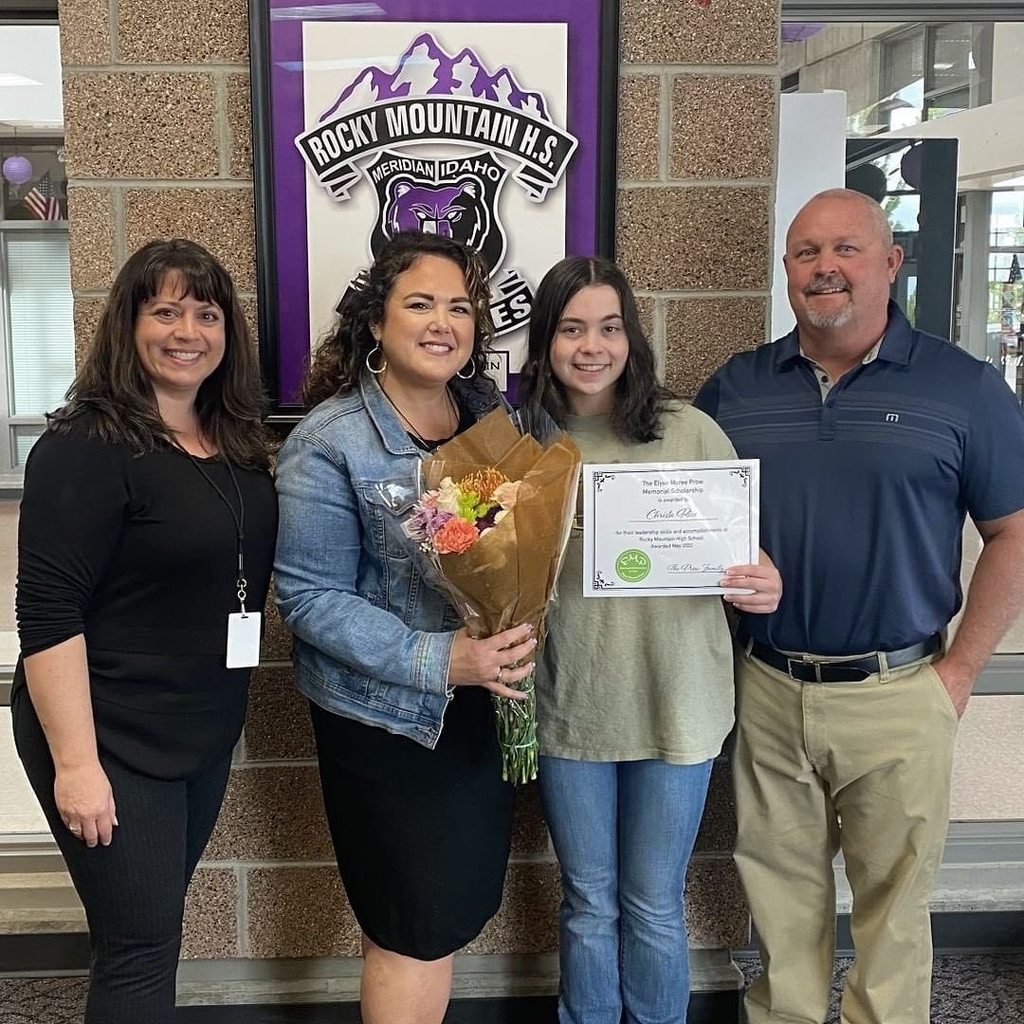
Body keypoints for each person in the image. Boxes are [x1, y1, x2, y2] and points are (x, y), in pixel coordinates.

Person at [693, 188, 1024, 1024]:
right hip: (769, 689)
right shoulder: (736, 388)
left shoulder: (966, 389)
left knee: (893, 917)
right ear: (786, 269)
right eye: (807, 252)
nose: (825, 268)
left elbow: (1013, 535)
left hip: (900, 692)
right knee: (779, 912)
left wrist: (960, 673)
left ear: (890, 261)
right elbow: (687, 518)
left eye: (846, 248)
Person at [12, 238, 277, 1024]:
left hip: (195, 736)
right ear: (128, 325)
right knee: (140, 948)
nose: (187, 331)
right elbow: (47, 612)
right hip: (111, 736)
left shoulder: (233, 443)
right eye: (165, 312)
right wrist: (76, 766)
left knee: (143, 933)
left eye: (206, 314)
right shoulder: (86, 446)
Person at [273, 231, 535, 1024]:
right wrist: (441, 659)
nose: (442, 323)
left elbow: (512, 546)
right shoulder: (329, 442)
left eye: (460, 307)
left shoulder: (487, 415)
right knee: (409, 924)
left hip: (479, 709)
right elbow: (309, 598)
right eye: (420, 304)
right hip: (387, 723)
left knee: (443, 915)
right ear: (375, 322)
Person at [518, 256, 782, 1024]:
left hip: (679, 705)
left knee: (655, 901)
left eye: (609, 327)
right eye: (572, 329)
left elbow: (741, 555)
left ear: (632, 337)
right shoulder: (520, 447)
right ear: (546, 341)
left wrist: (762, 581)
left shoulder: (690, 432)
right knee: (588, 901)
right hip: (572, 705)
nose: (591, 347)